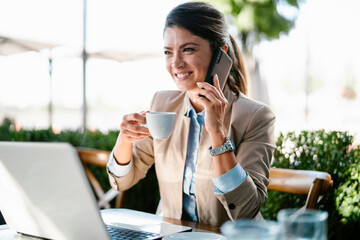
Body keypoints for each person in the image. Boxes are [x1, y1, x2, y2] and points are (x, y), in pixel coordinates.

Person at [107, 1, 276, 227]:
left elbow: (246, 210)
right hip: (168, 234)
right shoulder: (162, 103)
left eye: (188, 49)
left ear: (220, 53)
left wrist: (217, 132)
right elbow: (122, 181)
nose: (175, 63)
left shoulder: (257, 116)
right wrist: (125, 139)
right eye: (168, 52)